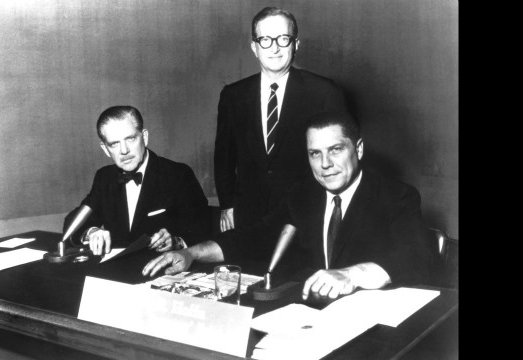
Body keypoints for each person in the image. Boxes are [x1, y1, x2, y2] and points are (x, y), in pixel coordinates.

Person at [143, 111, 433, 301]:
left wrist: (350, 275)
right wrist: (190, 253)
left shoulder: (396, 195)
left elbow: (417, 257)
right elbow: (255, 236)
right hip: (308, 315)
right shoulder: (303, 193)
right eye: (314, 153)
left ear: (357, 149)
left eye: (335, 150)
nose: (325, 164)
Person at [214, 7, 348, 235]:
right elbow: (224, 157)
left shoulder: (324, 92)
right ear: (254, 47)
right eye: (265, 39)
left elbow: (341, 157)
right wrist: (227, 205)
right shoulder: (233, 95)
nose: (274, 48)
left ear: (296, 44)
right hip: (248, 216)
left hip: (306, 216)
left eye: (283, 39)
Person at [63, 105, 209, 256]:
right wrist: (92, 232)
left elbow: (203, 229)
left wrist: (176, 242)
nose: (124, 150)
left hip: (165, 271)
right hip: (116, 271)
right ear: (105, 149)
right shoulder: (104, 177)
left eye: (130, 139)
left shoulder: (178, 174)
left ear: (144, 137)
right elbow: (73, 222)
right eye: (114, 144)